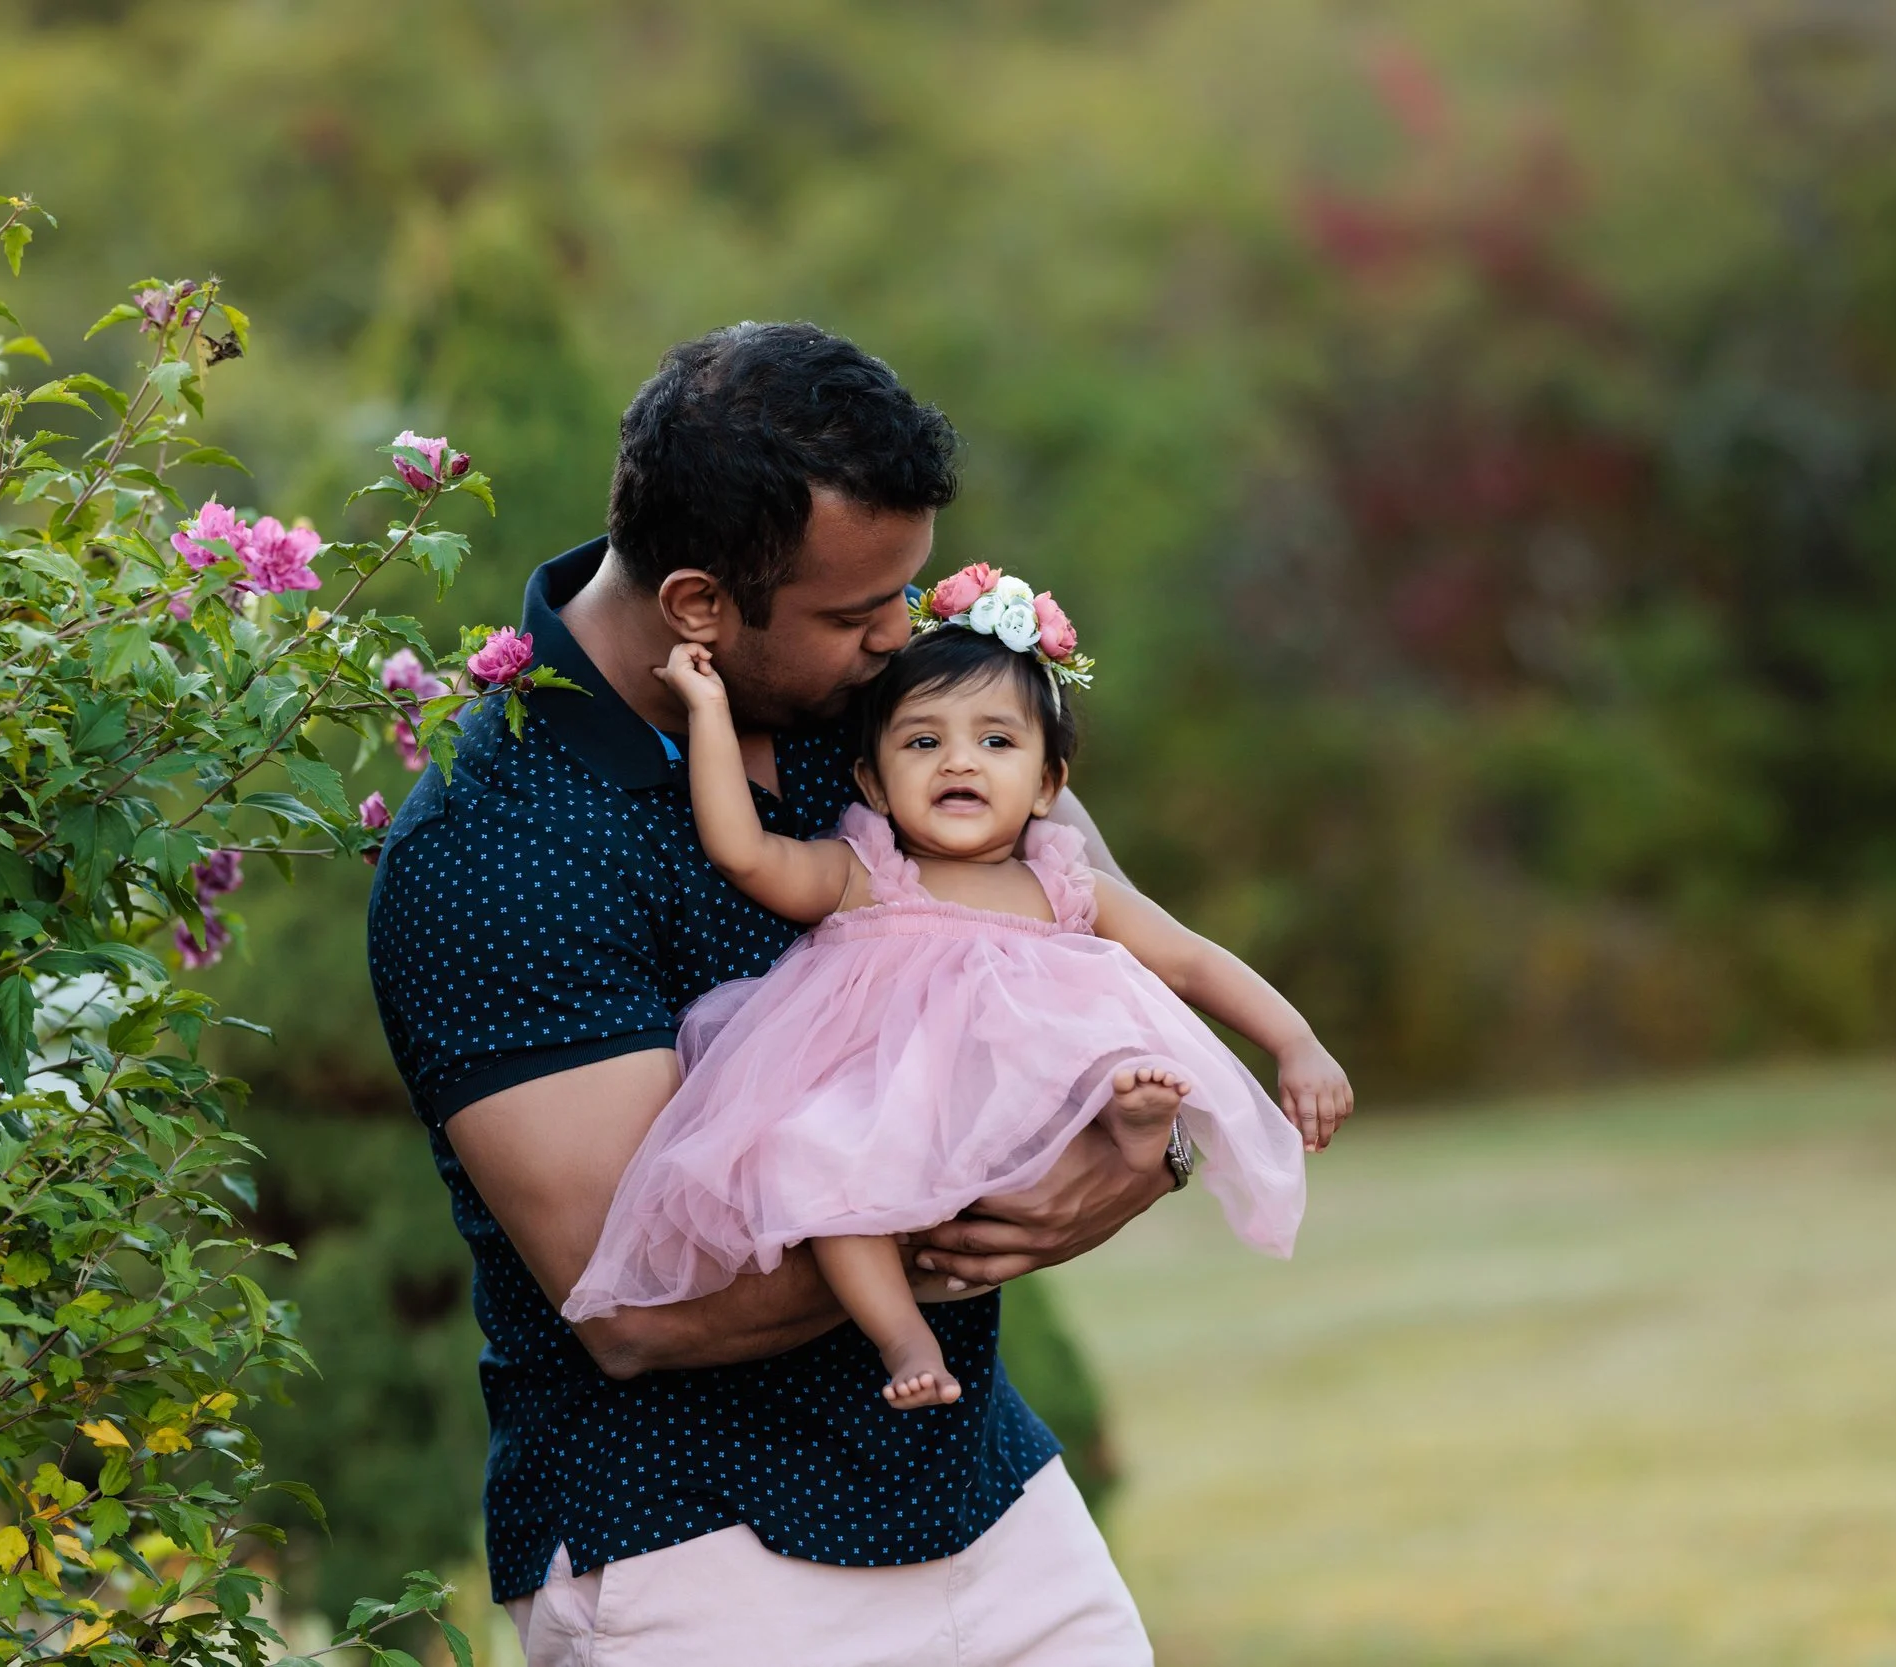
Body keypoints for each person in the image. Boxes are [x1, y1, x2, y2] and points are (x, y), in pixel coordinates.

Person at [366, 322, 1345, 1665]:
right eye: (854, 611)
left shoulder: (881, 699)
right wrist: (1009, 1207)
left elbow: (1082, 931)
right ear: (702, 605)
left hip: (987, 1494)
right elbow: (641, 1303)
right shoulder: (500, 844)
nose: (901, 638)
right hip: (699, 1555)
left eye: (909, 591)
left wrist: (1152, 1145)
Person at [563, 582, 1348, 1408]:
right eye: (924, 741)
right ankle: (904, 1335)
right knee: (824, 1173)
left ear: (1048, 785)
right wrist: (708, 709)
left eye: (996, 740)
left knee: (1113, 1047)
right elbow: (745, 853)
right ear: (871, 780)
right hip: (896, 1109)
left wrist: (1295, 1040)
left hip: (1021, 1097)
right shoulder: (866, 877)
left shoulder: (1062, 883)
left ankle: (1131, 1129)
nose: (960, 760)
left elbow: (1187, 961)